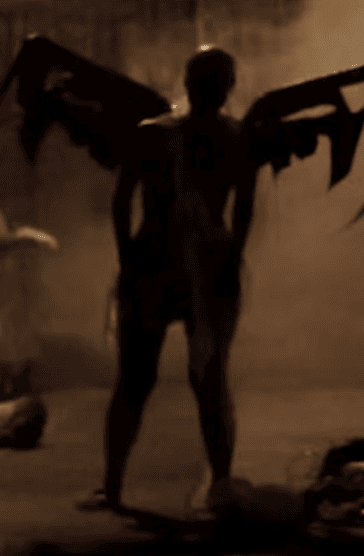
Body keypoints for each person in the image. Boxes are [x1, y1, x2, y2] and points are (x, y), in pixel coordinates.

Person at [78, 47, 257, 516]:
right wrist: (230, 258)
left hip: (165, 264)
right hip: (178, 265)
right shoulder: (219, 136)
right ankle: (204, 485)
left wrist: (129, 260)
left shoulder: (166, 135)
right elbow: (242, 208)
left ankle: (119, 488)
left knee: (165, 381)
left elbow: (124, 202)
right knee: (179, 381)